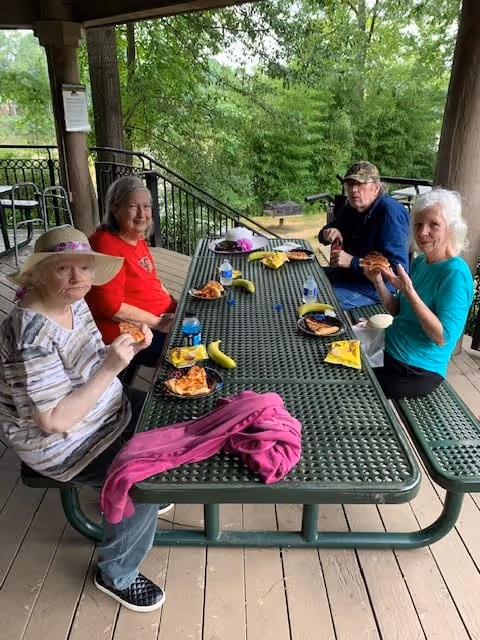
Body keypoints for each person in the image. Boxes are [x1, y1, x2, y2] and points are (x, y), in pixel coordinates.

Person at [0, 226, 168, 612]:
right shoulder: (31, 334)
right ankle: (117, 573)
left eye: (85, 268)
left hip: (105, 410)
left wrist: (122, 348)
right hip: (62, 443)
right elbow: (53, 421)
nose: (78, 278)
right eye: (64, 269)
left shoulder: (73, 302)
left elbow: (90, 358)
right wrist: (111, 368)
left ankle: (133, 497)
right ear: (40, 273)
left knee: (170, 412)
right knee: (141, 475)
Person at [363, 188, 473, 399]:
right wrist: (378, 282)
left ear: (451, 229)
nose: (423, 232)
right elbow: (398, 310)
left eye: (434, 225)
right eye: (418, 224)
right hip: (390, 352)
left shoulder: (455, 273)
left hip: (415, 372)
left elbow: (442, 337)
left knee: (347, 384)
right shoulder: (422, 260)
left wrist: (411, 293)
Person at [86, 175, 177, 371]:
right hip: (132, 334)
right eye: (133, 206)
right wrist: (159, 323)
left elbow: (152, 280)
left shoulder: (137, 239)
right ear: (116, 209)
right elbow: (111, 307)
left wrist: (175, 303)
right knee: (190, 350)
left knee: (210, 320)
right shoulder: (105, 243)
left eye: (146, 207)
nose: (141, 214)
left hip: (161, 318)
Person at [318, 161, 410, 309]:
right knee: (299, 281)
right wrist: (327, 233)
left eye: (360, 184)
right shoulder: (351, 207)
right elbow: (326, 232)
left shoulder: (390, 214)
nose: (354, 189)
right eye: (350, 184)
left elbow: (398, 270)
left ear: (376, 188)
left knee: (314, 303)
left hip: (372, 290)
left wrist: (353, 262)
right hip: (344, 277)